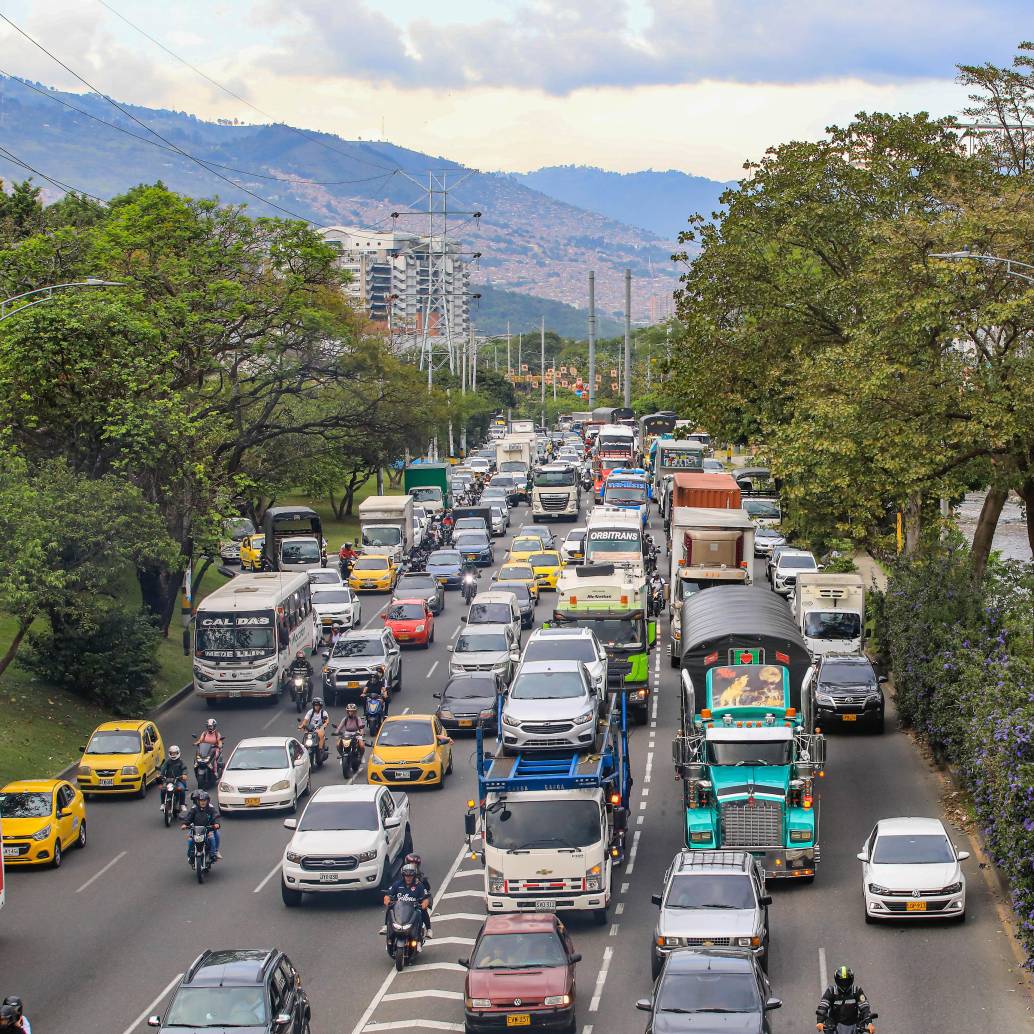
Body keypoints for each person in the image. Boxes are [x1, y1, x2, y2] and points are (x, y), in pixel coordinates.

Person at [382, 863, 432, 947]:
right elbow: (387, 895)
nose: (408, 878)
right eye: (406, 875)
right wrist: (387, 901)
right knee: (390, 909)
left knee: (422, 912)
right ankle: (386, 927)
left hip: (413, 910)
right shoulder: (397, 884)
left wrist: (423, 904)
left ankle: (428, 930)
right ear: (403, 875)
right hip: (400, 909)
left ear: (414, 876)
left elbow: (425, 899)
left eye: (410, 876)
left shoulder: (419, 886)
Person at [816, 965, 874, 1033]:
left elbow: (865, 1007)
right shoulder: (831, 991)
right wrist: (820, 1021)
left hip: (854, 1026)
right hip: (834, 1026)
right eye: (842, 981)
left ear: (851, 980)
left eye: (847, 981)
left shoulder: (857, 990)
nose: (844, 984)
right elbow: (823, 1006)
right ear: (836, 980)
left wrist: (869, 1023)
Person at [181, 790, 222, 862]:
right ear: (198, 801)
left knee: (212, 838)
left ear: (207, 800)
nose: (203, 802)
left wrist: (216, 824)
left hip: (207, 830)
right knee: (190, 841)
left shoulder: (211, 809)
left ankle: (213, 854)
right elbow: (189, 817)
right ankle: (190, 855)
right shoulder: (194, 809)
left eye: (204, 800)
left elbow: (215, 816)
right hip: (195, 830)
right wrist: (185, 824)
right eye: (201, 800)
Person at [158, 745, 188, 813]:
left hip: (178, 780)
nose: (173, 754)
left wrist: (184, 775)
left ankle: (182, 804)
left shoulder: (181, 761)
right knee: (163, 789)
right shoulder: (168, 761)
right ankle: (163, 804)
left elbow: (184, 768)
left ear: (178, 753)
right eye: (172, 753)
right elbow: (163, 768)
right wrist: (160, 774)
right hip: (168, 780)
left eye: (174, 753)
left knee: (182, 789)